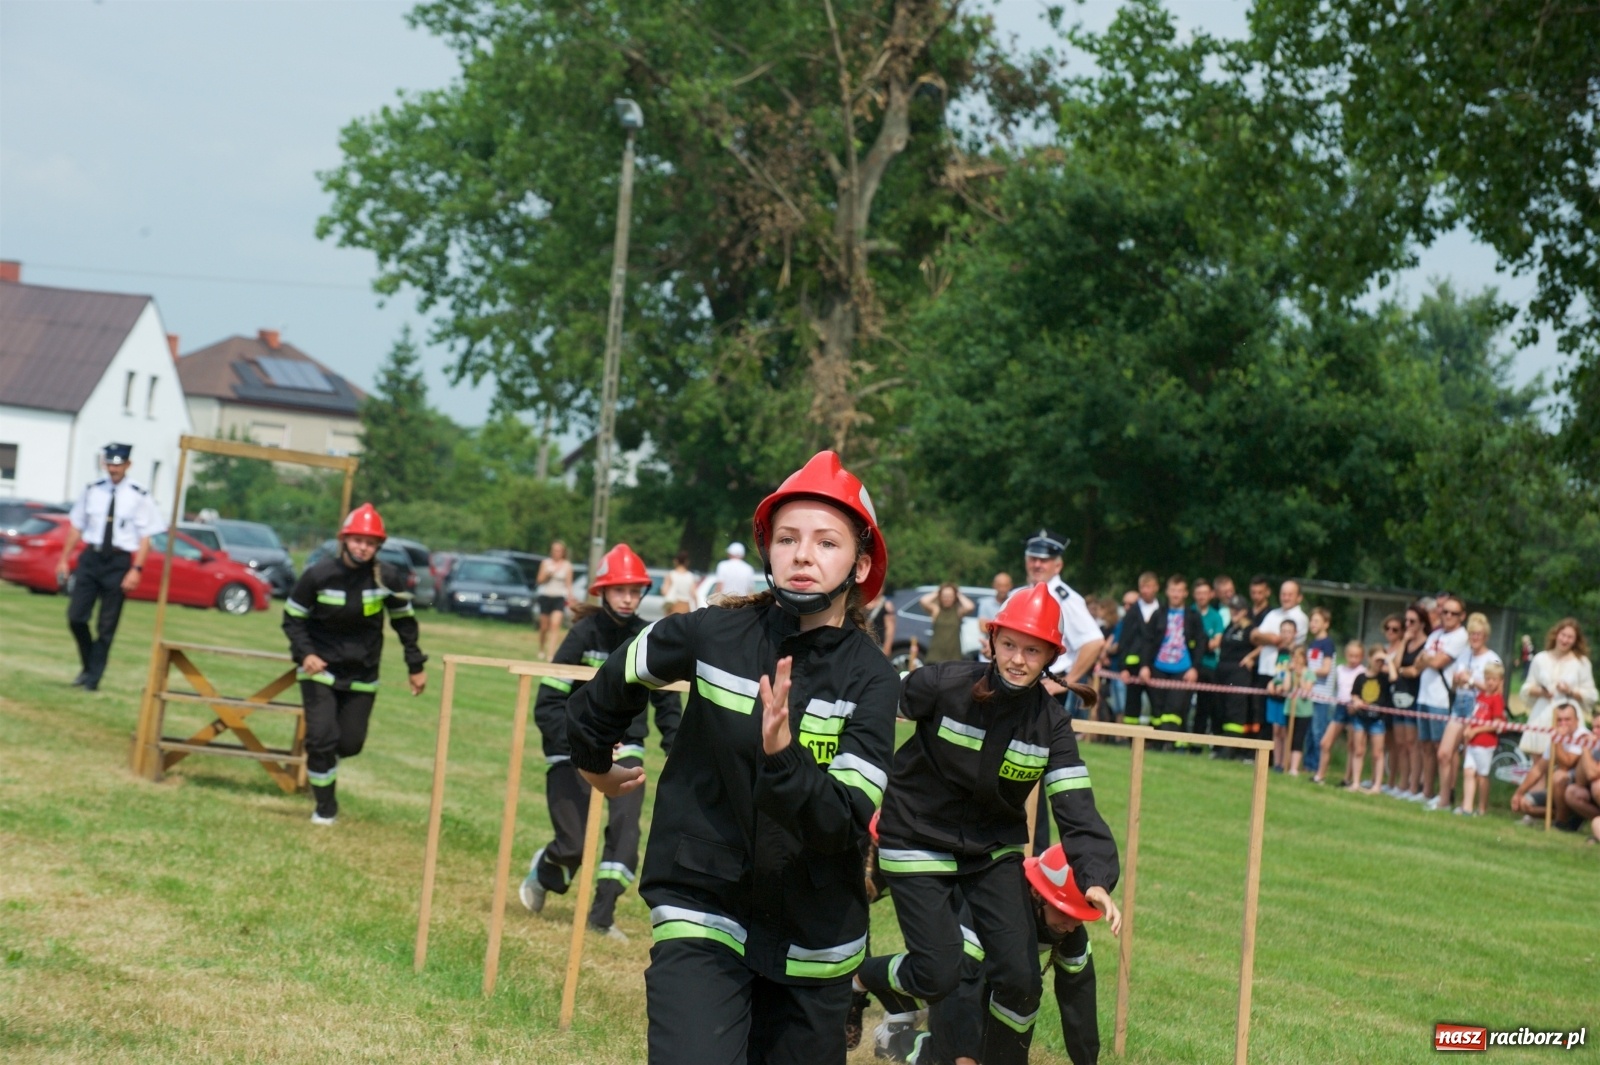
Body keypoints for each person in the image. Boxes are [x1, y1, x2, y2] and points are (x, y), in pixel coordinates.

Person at [565, 450, 899, 1065]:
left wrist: (784, 758)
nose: (803, 555)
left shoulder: (874, 680)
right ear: (766, 548)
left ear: (861, 562)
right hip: (703, 904)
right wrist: (592, 759)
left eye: (827, 542)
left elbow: (847, 823)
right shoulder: (711, 634)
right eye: (787, 538)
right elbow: (616, 677)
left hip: (816, 939)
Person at [854, 583, 1120, 1065]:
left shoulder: (1052, 725)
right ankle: (856, 980)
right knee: (941, 972)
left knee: (1021, 979)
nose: (1019, 659)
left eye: (1033, 650)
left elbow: (1075, 804)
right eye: (1010, 645)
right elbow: (871, 707)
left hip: (990, 851)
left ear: (1050, 656)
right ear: (993, 641)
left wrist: (1095, 877)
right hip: (914, 837)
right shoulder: (943, 683)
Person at [520, 544, 681, 939]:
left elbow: (667, 703)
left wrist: (676, 748)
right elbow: (549, 702)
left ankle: (601, 916)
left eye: (634, 590)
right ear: (602, 592)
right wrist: (579, 745)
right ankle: (546, 870)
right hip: (572, 751)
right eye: (619, 589)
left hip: (627, 751)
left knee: (625, 840)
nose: (627, 598)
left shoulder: (648, 637)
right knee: (573, 845)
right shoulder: (582, 635)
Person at [877, 845, 1119, 1065]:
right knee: (955, 1051)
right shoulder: (996, 906)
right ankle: (892, 1035)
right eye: (1064, 914)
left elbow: (1080, 1000)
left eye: (1079, 918)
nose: (1070, 925)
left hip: (993, 976)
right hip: (954, 971)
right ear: (1037, 894)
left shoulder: (1070, 929)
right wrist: (963, 1053)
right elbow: (963, 981)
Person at [283, 504, 426, 825]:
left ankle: (324, 762)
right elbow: (292, 619)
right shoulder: (318, 574)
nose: (363, 547)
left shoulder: (387, 577)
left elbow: (405, 623)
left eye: (371, 542)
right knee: (320, 738)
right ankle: (325, 808)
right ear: (344, 540)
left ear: (378, 546)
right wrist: (306, 653)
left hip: (363, 673)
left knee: (350, 743)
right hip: (319, 670)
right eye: (358, 540)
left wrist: (415, 665)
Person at [57, 443, 166, 692]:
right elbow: (77, 526)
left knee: (106, 625)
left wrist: (136, 569)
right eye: (110, 464)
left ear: (128, 465)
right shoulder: (93, 490)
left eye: (118, 464)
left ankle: (93, 678)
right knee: (76, 617)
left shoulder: (139, 495)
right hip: (91, 558)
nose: (113, 469)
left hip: (118, 562)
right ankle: (89, 665)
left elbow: (146, 537)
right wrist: (64, 558)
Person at [1430, 611, 1502, 812]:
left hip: (1478, 708)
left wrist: (1471, 680)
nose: (1475, 638)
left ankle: (1468, 804)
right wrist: (1457, 680)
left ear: (1485, 636)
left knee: (1470, 761)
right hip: (1459, 703)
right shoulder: (1463, 654)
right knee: (1444, 752)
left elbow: (1495, 690)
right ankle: (1444, 798)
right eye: (1472, 634)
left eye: (1478, 634)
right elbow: (1454, 685)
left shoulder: (1493, 659)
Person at [1128, 574, 1204, 745]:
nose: (1176, 594)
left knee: (1175, 707)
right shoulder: (1158, 614)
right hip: (1158, 667)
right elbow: (1147, 642)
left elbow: (1200, 643)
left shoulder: (1193, 616)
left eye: (1180, 591)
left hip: (1183, 668)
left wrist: (1195, 668)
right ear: (1167, 592)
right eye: (1173, 590)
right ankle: (1157, 743)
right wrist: (1145, 666)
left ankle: (1173, 743)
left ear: (1185, 593)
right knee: (1158, 707)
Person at [1414, 595, 1469, 806]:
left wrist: (1428, 659)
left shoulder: (1460, 637)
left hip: (1442, 698)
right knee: (1426, 745)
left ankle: (1448, 791)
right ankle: (1426, 791)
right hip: (1424, 694)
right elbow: (1420, 662)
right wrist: (1428, 660)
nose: (1447, 616)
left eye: (1453, 613)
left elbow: (1437, 661)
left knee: (1444, 748)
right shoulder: (1435, 634)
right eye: (1444, 611)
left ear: (1462, 616)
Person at [1519, 618, 1598, 759]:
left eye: (1570, 637)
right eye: (1563, 635)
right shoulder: (1540, 659)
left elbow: (1592, 695)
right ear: (1556, 634)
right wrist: (1541, 691)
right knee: (1538, 764)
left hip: (1567, 718)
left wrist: (1571, 691)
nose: (1565, 640)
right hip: (1542, 715)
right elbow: (1527, 687)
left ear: (1575, 640)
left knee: (1564, 765)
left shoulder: (1581, 662)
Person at [1510, 702, 1590, 825]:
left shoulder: (1582, 736)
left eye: (1567, 719)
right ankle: (1563, 816)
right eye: (1559, 720)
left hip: (1580, 789)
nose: (1563, 724)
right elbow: (1538, 769)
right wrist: (1519, 793)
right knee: (1525, 803)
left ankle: (1561, 822)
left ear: (1577, 720)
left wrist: (1557, 741)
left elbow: (1566, 765)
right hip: (1559, 791)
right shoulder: (1557, 737)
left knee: (1558, 775)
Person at [1386, 605, 1430, 801]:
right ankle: (1402, 784)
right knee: (1401, 742)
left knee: (1413, 744)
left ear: (1422, 623)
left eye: (1412, 621)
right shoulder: (1406, 642)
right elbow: (1396, 665)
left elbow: (1415, 671)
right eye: (1406, 621)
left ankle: (1413, 786)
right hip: (1399, 696)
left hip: (1415, 695)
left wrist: (1402, 670)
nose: (1408, 625)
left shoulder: (1427, 644)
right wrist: (1404, 640)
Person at [1338, 644, 1392, 794]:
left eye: (1382, 661)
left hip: (1378, 720)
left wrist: (1388, 660)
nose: (1379, 663)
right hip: (1360, 717)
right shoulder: (1361, 677)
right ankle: (1356, 782)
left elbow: (1394, 677)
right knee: (1358, 750)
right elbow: (1354, 693)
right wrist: (1356, 701)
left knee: (1377, 752)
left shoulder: (1384, 677)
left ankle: (1377, 785)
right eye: (1377, 659)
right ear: (1370, 658)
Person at [1313, 640, 1366, 785]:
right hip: (1340, 707)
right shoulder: (1340, 669)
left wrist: (1356, 703)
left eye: (1357, 656)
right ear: (1346, 655)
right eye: (1351, 656)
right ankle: (1320, 775)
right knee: (1325, 742)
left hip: (1354, 709)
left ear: (1362, 657)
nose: (1354, 659)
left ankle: (1347, 779)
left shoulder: (1362, 672)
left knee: (1353, 745)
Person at [1459, 661, 1506, 816]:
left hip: (1485, 743)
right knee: (1468, 772)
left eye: (1494, 679)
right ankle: (1467, 807)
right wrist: (1469, 728)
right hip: (1473, 742)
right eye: (1487, 679)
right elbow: (1476, 716)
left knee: (1482, 776)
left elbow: (1497, 723)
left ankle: (1482, 808)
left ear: (1500, 681)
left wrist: (1477, 730)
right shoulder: (1481, 696)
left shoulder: (1497, 699)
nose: (1490, 682)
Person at [1213, 595, 1258, 758]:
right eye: (1232, 609)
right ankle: (1221, 746)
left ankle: (1231, 748)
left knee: (1235, 711)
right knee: (1222, 709)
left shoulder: (1250, 629)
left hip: (1238, 674)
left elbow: (1263, 643)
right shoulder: (1230, 627)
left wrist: (1250, 657)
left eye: (1238, 609)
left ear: (1245, 611)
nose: (1234, 612)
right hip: (1223, 673)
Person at [1116, 572, 1162, 728]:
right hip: (1133, 667)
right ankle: (1130, 740)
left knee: (1158, 703)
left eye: (1148, 586)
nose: (1145, 590)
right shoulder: (1133, 612)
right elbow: (1124, 640)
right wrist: (1123, 667)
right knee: (1132, 706)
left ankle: (1156, 740)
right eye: (1142, 586)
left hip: (1156, 665)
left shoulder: (1163, 611)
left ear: (1156, 587)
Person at [1301, 607, 1337, 777]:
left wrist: (1307, 672)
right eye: (1311, 621)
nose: (1312, 624)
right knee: (1308, 731)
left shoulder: (1327, 644)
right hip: (1309, 693)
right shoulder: (1313, 643)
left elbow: (1326, 669)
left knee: (1318, 731)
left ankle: (1317, 767)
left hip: (1322, 695)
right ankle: (1308, 764)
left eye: (1316, 621)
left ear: (1326, 624)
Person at [1192, 578, 1228, 740]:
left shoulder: (1216, 616)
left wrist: (1199, 644)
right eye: (1199, 593)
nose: (1202, 597)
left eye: (1205, 593)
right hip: (1189, 665)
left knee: (1206, 705)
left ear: (1211, 595)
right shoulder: (1190, 612)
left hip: (1209, 665)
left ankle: (1202, 742)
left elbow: (1216, 642)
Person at [535, 540, 574, 660]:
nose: (556, 553)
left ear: (563, 552)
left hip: (559, 597)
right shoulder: (546, 563)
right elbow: (539, 581)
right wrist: (548, 575)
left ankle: (551, 654)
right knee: (544, 627)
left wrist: (571, 598)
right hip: (546, 596)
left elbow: (568, 584)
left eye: (559, 550)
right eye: (554, 550)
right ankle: (541, 648)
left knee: (555, 624)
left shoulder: (567, 566)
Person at [921, 583, 976, 664]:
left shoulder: (958, 611)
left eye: (950, 596)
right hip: (936, 655)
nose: (947, 599)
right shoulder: (936, 609)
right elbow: (923, 601)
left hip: (953, 655)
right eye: (944, 596)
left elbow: (970, 606)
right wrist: (937, 592)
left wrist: (959, 595)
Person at [976, 572, 1015, 661]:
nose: (1002, 589)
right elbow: (982, 627)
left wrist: (992, 624)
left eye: (1006, 585)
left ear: (1010, 586)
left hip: (1009, 652)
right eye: (1000, 585)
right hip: (988, 648)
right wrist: (1007, 628)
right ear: (994, 585)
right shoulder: (985, 604)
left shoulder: (1014, 603)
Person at [660, 551, 697, 616]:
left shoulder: (671, 574)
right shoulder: (690, 576)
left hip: (673, 605)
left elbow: (664, 591)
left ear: (676, 561)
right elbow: (693, 594)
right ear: (687, 562)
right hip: (686, 606)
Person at [865, 588, 897, 657]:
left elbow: (890, 628)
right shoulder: (862, 603)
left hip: (878, 645)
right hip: (863, 643)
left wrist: (887, 647)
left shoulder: (886, 605)